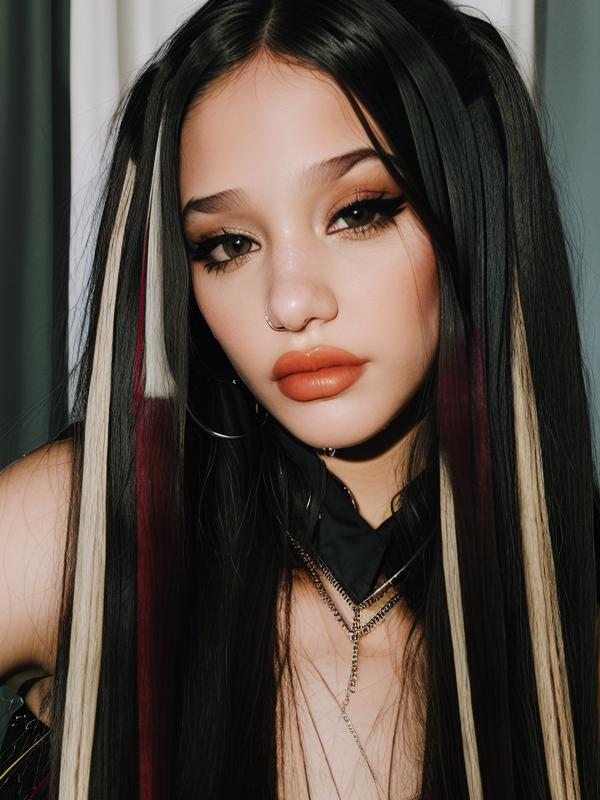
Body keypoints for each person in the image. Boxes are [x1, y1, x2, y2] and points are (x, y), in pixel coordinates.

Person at [1, 0, 599, 797]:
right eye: (229, 244)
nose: (289, 302)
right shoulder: (82, 524)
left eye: (358, 212)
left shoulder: (571, 615)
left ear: (473, 206)